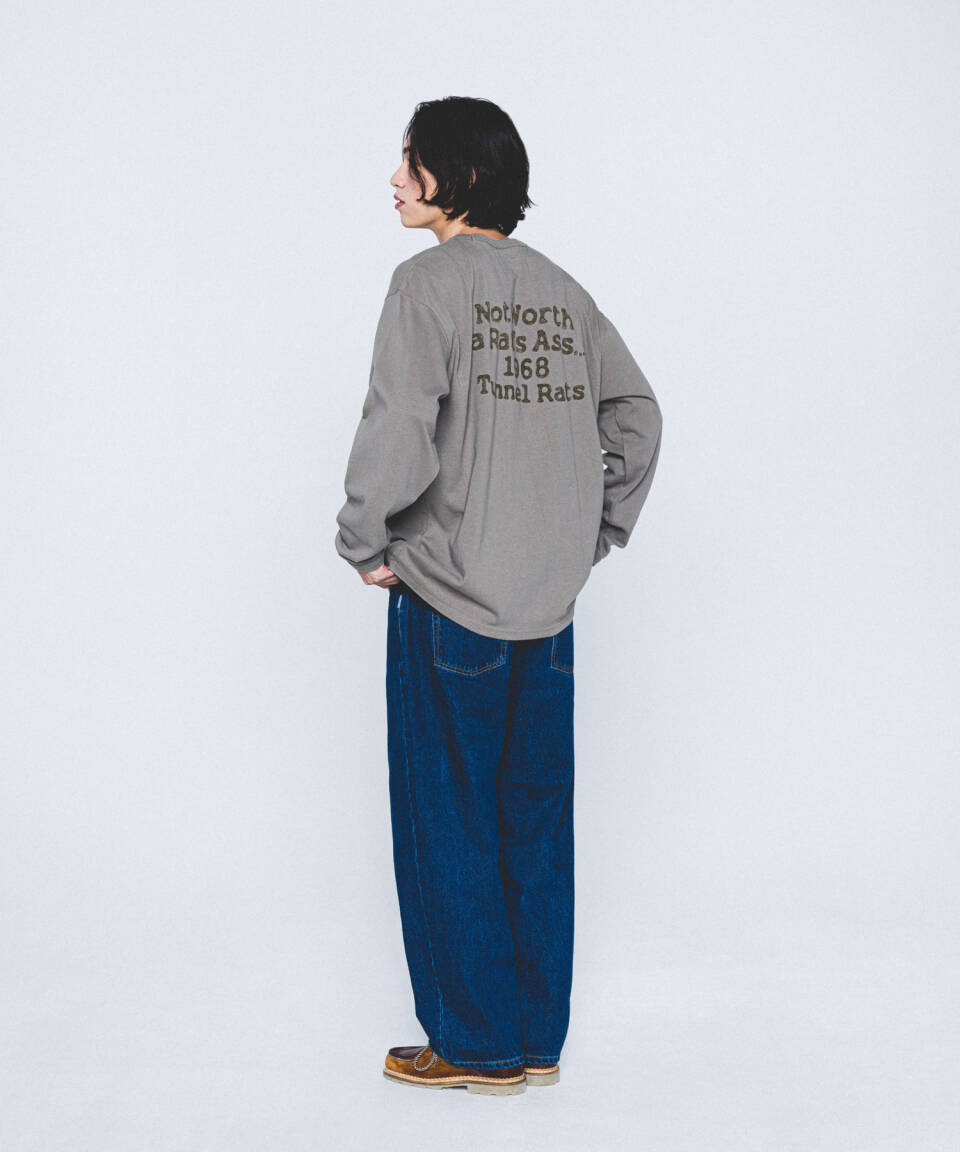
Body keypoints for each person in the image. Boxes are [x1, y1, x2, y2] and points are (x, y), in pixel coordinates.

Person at [334, 96, 663, 1095]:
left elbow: (398, 423)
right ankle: (533, 1040)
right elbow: (637, 417)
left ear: (463, 176)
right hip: (548, 611)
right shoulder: (562, 291)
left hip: (450, 600)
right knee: (534, 820)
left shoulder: (425, 284)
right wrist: (593, 532)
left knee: (450, 818)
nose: (396, 179)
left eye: (412, 161)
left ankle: (474, 1047)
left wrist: (362, 539)